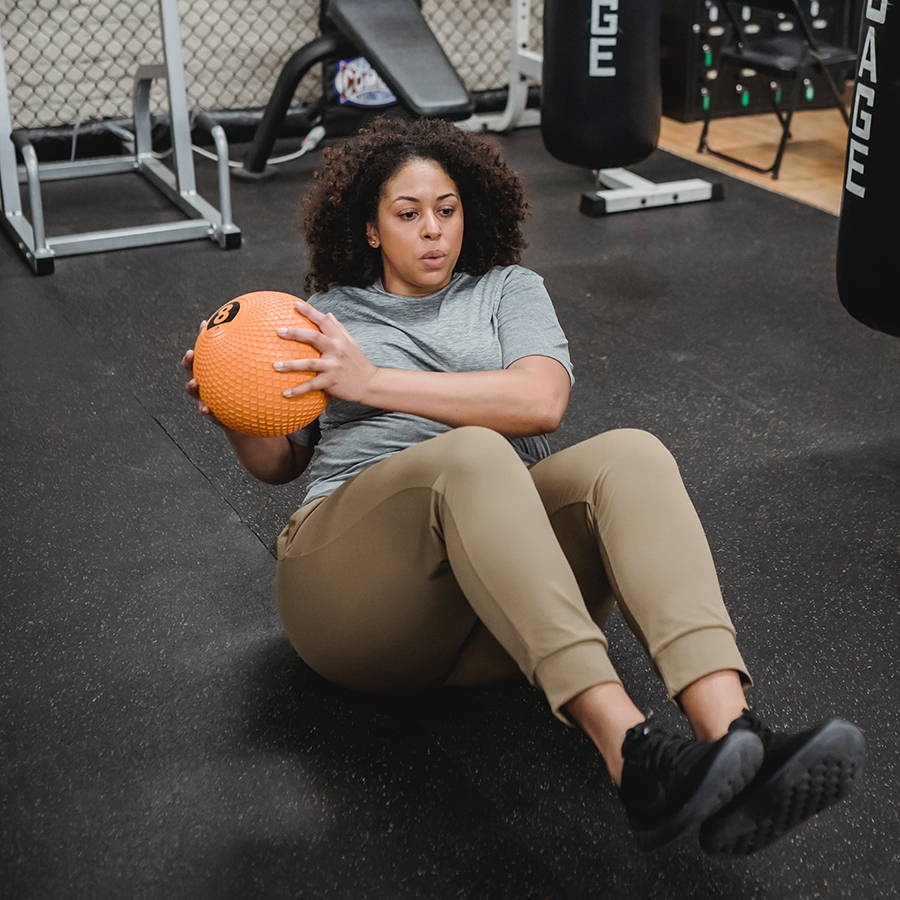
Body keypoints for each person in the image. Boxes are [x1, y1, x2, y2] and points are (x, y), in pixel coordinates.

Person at [181, 115, 865, 855]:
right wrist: (234, 412)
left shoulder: (510, 291)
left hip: (489, 612)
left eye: (446, 210)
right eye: (407, 215)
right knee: (473, 454)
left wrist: (371, 379)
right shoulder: (330, 319)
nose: (433, 231)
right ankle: (629, 751)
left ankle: (736, 739)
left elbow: (541, 401)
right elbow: (282, 464)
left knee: (629, 453)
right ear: (373, 230)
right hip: (352, 600)